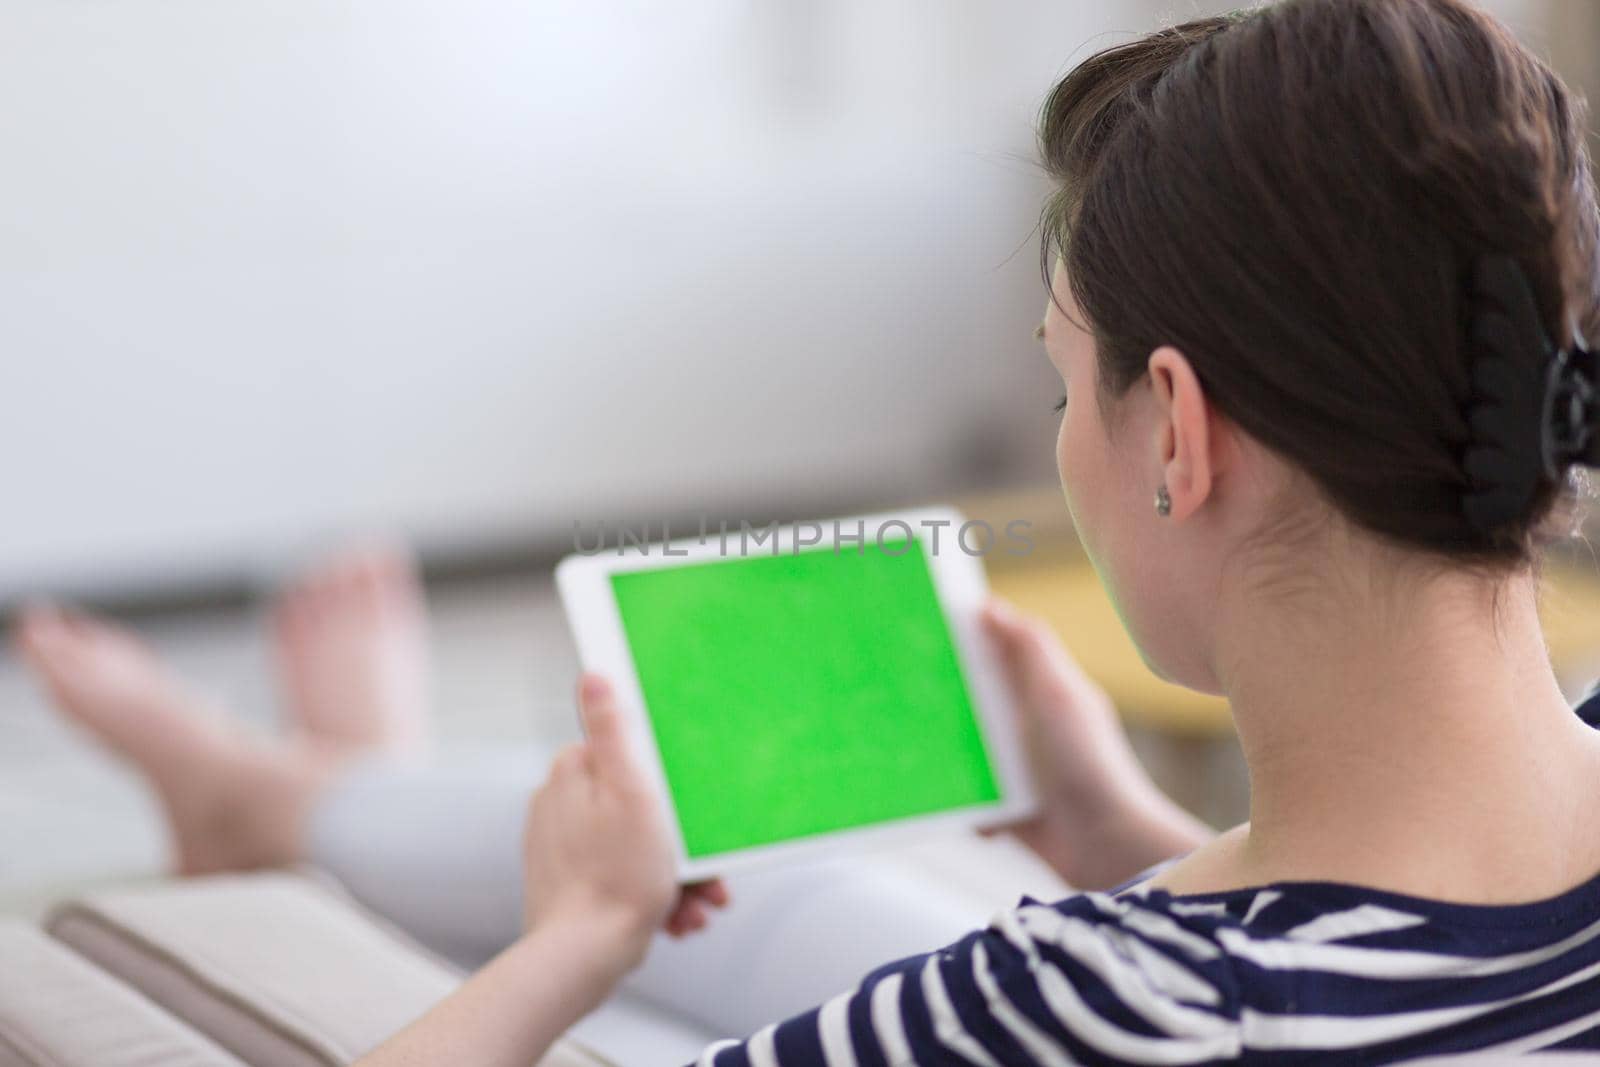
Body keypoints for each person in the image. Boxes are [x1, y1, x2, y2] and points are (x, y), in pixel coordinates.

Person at [18, 0, 1600, 1060]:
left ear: (1176, 435)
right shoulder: (1147, 968)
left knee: (658, 907)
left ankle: (303, 799)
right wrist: (1117, 829)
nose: (1068, 439)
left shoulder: (1092, 1009)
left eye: (1066, 384)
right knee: (788, 891)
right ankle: (303, 795)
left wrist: (578, 938)